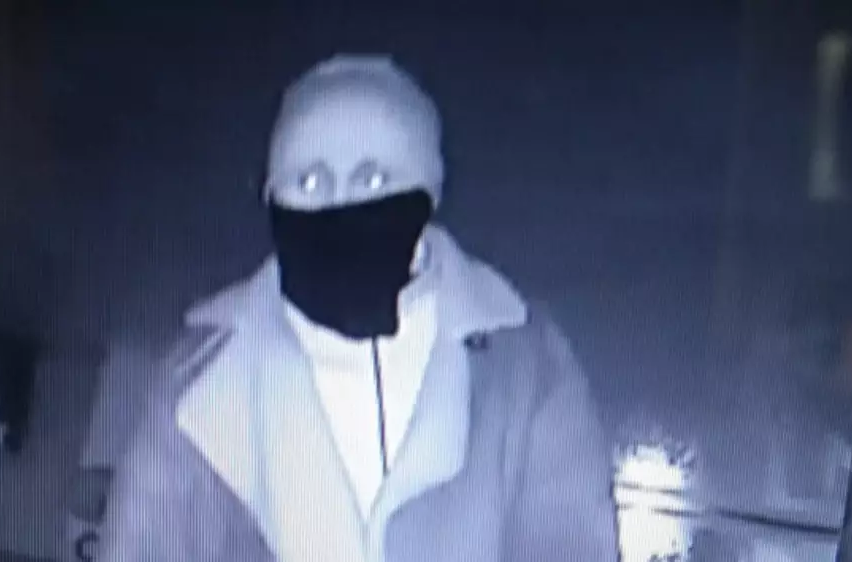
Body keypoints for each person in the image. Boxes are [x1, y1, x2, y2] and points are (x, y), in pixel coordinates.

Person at [97, 54, 619, 562]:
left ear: (427, 192)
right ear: (272, 196)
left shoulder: (527, 369)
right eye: (309, 182)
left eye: (373, 180)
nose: (339, 204)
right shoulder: (198, 381)